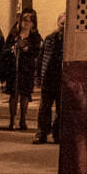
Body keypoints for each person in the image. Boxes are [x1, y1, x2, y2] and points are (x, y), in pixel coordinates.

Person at [4, 9, 40, 131]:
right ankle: (11, 120)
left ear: (33, 23)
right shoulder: (13, 34)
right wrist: (12, 49)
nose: (27, 23)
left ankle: (23, 120)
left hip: (27, 69)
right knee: (13, 95)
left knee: (25, 95)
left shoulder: (35, 36)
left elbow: (37, 52)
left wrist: (27, 49)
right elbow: (5, 49)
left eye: (30, 21)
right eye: (24, 20)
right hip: (14, 69)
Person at [33, 13, 64, 145]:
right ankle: (42, 133)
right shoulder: (50, 38)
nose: (63, 26)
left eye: (66, 24)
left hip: (63, 79)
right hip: (49, 77)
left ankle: (58, 133)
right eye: (62, 23)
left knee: (61, 108)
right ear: (58, 23)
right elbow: (41, 57)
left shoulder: (71, 40)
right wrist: (38, 76)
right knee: (44, 107)